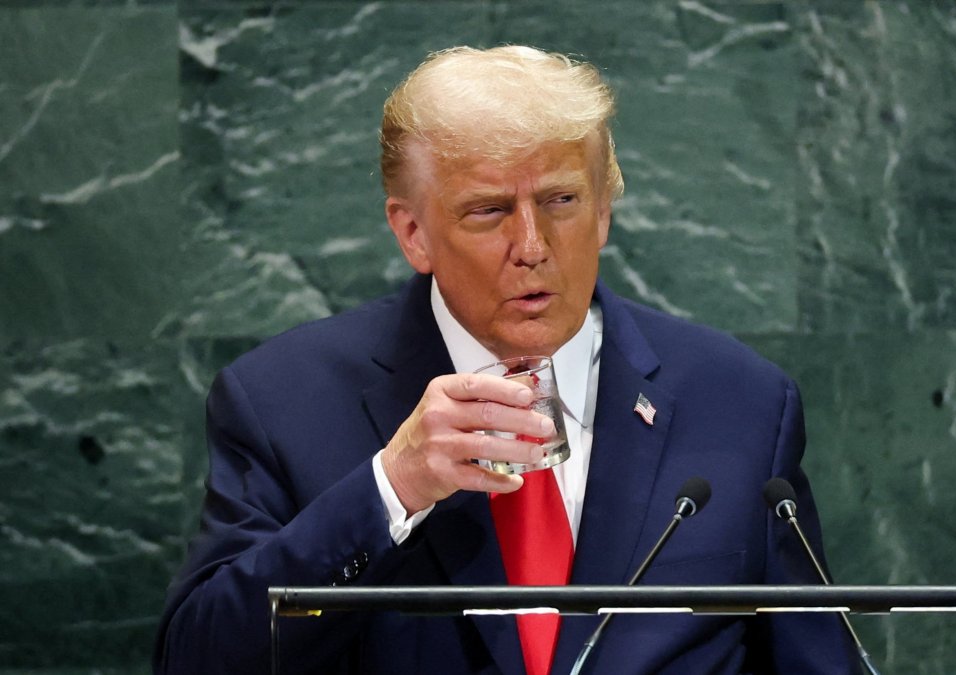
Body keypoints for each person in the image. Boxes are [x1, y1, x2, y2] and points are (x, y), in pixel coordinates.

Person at [155, 45, 857, 674]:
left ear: (604, 210)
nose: (533, 245)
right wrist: (392, 487)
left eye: (561, 200)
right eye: (488, 210)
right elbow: (198, 658)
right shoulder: (280, 401)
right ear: (413, 232)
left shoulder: (742, 404)